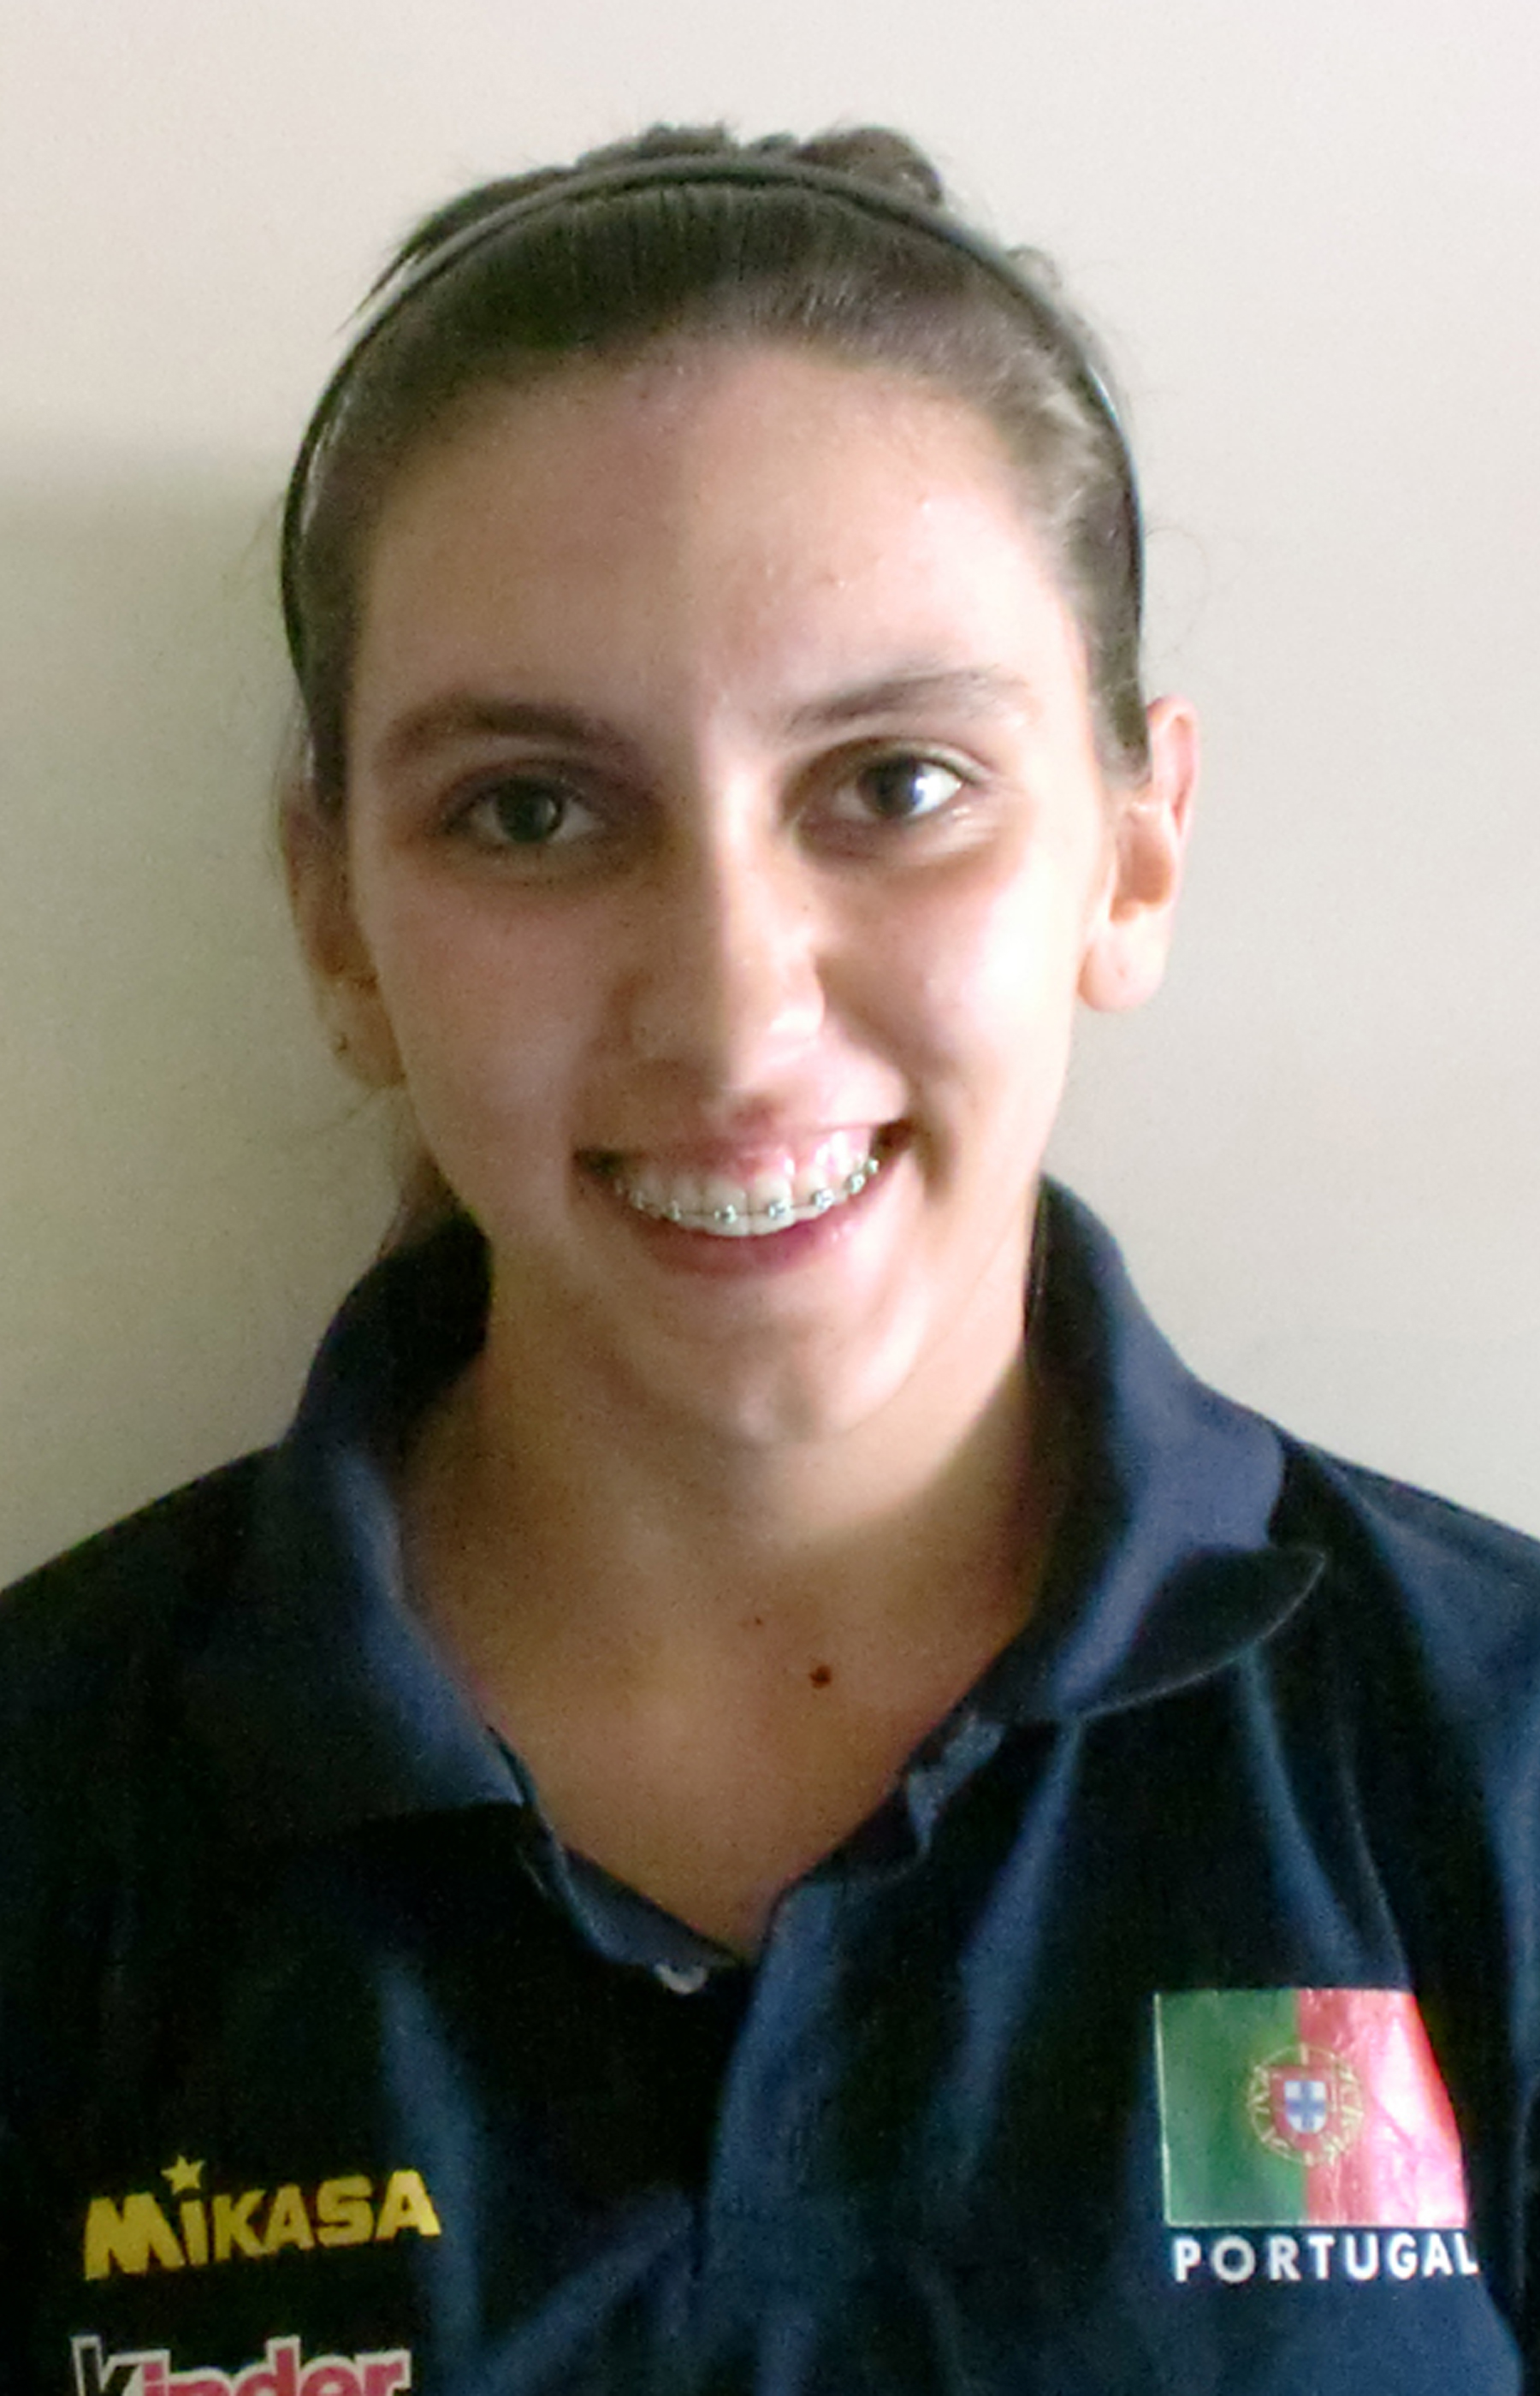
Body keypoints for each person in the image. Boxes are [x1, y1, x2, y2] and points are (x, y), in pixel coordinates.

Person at [3, 122, 1538, 2396]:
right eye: (532, 809)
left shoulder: (1494, 1764)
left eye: (896, 784)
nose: (732, 1017)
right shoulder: (52, 1815)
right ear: (335, 917)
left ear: (1133, 853)